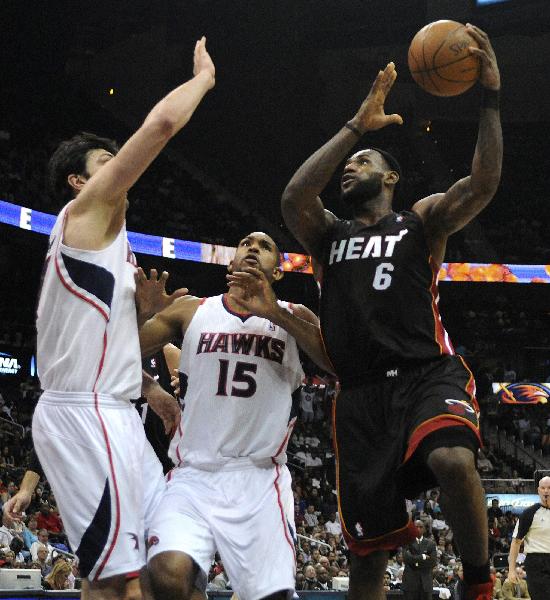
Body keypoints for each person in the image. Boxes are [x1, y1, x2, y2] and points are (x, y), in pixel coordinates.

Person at [281, 24, 502, 600]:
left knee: (454, 460)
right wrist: (356, 126)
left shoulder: (420, 222)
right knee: (367, 564)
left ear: (392, 178)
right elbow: (294, 198)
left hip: (427, 373)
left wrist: (491, 96)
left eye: (363, 161)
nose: (349, 169)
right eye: (348, 164)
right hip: (360, 398)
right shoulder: (328, 234)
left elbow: (481, 184)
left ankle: (479, 582)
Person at [4, 37, 215, 600]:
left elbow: (91, 344)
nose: (119, 167)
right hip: (85, 417)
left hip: (115, 412)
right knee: (121, 581)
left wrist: (149, 385)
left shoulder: (107, 249)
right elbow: (161, 126)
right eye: (106, 161)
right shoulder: (85, 215)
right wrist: (202, 81)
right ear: (80, 180)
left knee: (173, 569)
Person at [138, 231, 333, 600]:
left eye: (265, 247)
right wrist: (140, 324)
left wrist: (273, 310)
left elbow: (335, 361)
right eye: (246, 244)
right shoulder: (192, 310)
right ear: (231, 263)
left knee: (271, 595)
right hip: (194, 474)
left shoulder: (294, 317)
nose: (254, 249)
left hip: (259, 477)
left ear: (277, 273)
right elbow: (115, 350)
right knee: (165, 574)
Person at [506, 476, 550, 600]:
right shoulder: (529, 513)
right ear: (538, 490)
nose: (546, 491)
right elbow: (516, 542)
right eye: (543, 488)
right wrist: (511, 570)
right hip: (537, 562)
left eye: (549, 488)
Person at [401, 521, 437, 600]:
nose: (418, 529)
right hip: (410, 583)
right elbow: (406, 559)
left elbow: (433, 562)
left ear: (424, 529)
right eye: (416, 527)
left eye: (421, 527)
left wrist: (414, 563)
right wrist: (423, 557)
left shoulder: (431, 544)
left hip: (426, 583)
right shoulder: (406, 542)